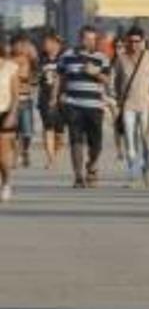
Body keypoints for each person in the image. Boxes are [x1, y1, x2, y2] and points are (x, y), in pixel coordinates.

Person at [53, 26, 111, 189]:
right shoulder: (67, 56)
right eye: (87, 38)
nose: (90, 42)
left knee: (96, 144)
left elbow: (107, 80)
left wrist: (95, 73)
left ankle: (91, 165)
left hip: (95, 106)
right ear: (80, 38)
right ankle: (78, 176)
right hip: (73, 104)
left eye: (93, 39)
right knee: (76, 140)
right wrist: (56, 96)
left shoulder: (101, 58)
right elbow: (60, 76)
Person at [113, 27, 149, 189]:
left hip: (147, 105)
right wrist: (118, 101)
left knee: (147, 140)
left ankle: (148, 170)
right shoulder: (121, 58)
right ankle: (134, 172)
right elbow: (117, 81)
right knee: (130, 142)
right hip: (128, 105)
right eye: (130, 41)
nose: (133, 44)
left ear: (143, 41)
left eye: (137, 41)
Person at [37, 33, 65, 170]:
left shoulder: (64, 58)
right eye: (44, 43)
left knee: (60, 132)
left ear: (55, 43)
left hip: (62, 98)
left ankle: (55, 154)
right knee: (48, 127)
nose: (45, 45)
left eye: (47, 42)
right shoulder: (41, 59)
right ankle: (51, 159)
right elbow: (36, 76)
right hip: (45, 97)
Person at [11, 35, 37, 169]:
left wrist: (28, 81)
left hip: (26, 99)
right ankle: (15, 158)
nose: (21, 47)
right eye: (19, 45)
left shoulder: (30, 60)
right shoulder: (8, 61)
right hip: (12, 102)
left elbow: (34, 77)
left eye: (24, 45)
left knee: (27, 132)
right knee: (13, 133)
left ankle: (25, 150)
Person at [0, 43, 18, 203]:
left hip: (4, 113)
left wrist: (12, 114)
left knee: (2, 156)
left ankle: (6, 183)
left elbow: (15, 95)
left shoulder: (11, 67)